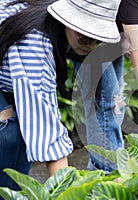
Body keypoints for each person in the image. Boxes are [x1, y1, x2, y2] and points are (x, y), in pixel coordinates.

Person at [0, 0, 121, 192]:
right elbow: (45, 129)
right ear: (67, 20)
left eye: (98, 38)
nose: (91, 45)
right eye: (85, 36)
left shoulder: (49, 23)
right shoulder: (34, 47)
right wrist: (70, 193)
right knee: (9, 134)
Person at [70, 0, 138, 174]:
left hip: (109, 35)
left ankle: (98, 173)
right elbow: (137, 46)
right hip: (85, 35)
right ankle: (108, 175)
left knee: (115, 105)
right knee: (106, 107)